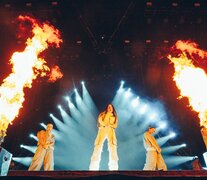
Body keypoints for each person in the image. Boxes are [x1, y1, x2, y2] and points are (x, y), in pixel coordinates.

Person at [89, 104, 118, 170]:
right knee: (98, 146)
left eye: (111, 107)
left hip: (111, 130)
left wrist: (111, 126)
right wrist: (106, 117)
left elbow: (115, 125)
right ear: (106, 108)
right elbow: (100, 121)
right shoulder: (102, 114)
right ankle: (93, 167)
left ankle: (113, 168)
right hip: (102, 129)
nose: (110, 108)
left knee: (113, 147)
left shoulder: (114, 116)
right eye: (108, 107)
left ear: (113, 108)